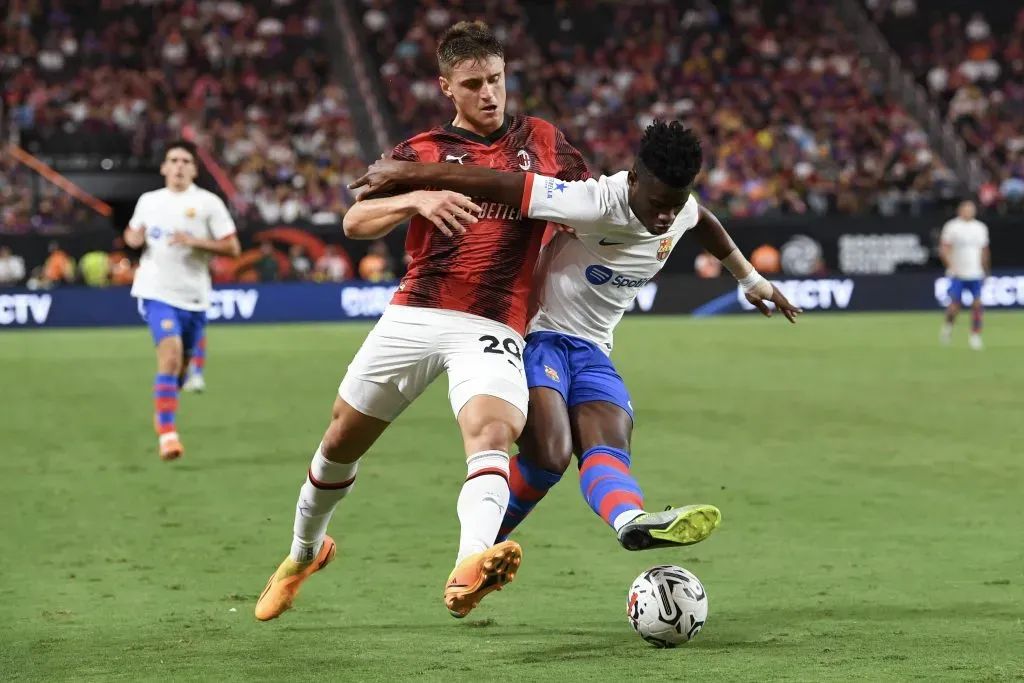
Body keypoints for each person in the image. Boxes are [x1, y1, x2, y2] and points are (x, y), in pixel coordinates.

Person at [254, 20, 589, 623]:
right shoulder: (422, 151)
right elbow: (355, 221)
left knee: (491, 433)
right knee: (340, 440)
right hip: (417, 310)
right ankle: (304, 553)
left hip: (494, 320)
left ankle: (468, 566)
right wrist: (417, 198)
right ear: (446, 87)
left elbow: (589, 204)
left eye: (496, 80)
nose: (489, 94)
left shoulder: (542, 140)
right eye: (473, 84)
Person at [349, 119, 801, 551]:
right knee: (549, 455)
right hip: (536, 336)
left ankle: (630, 521)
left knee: (609, 442)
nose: (666, 217)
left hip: (593, 348)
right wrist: (409, 173)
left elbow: (702, 221)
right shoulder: (592, 202)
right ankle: (478, 550)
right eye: (657, 204)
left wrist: (750, 280)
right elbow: (498, 183)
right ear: (634, 179)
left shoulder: (679, 208)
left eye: (674, 204)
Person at [124, 140, 241, 460]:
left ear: (194, 169)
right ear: (164, 167)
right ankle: (168, 435)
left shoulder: (209, 204)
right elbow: (132, 234)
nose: (178, 166)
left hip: (194, 297)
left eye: (185, 161)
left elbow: (233, 248)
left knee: (181, 367)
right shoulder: (149, 201)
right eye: (173, 160)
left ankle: (165, 404)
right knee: (170, 355)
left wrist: (195, 241)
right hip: (156, 291)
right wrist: (133, 238)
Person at [939, 200, 989, 350]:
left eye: (971, 209)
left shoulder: (980, 228)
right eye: (966, 209)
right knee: (955, 305)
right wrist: (951, 266)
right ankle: (948, 327)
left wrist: (985, 270)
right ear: (960, 211)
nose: (969, 211)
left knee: (977, 304)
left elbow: (984, 251)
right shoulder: (952, 227)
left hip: (975, 272)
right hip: (958, 273)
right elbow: (944, 249)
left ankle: (975, 335)